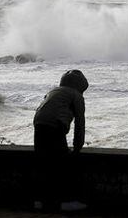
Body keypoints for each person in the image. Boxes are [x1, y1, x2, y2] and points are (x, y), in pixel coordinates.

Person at [33, 70, 89, 212]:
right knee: (62, 164)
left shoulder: (53, 91)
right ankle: (66, 202)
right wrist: (77, 147)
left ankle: (39, 201)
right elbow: (80, 123)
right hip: (54, 126)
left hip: (39, 124)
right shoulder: (76, 95)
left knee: (43, 163)